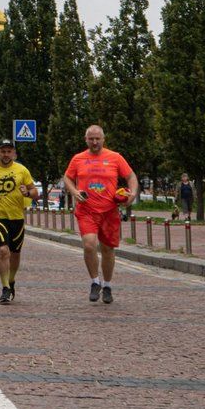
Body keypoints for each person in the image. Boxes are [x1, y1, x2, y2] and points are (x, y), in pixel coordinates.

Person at [64, 125, 138, 305]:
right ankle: (95, 282)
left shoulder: (115, 157)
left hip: (109, 211)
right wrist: (74, 191)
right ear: (86, 140)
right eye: (91, 139)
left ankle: (107, 286)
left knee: (107, 250)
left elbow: (131, 177)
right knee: (89, 245)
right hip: (86, 210)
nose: (95, 142)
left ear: (103, 139)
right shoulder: (78, 159)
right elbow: (67, 178)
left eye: (98, 139)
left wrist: (133, 194)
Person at [0, 139, 38, 304]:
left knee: (15, 253)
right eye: (3, 151)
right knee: (3, 251)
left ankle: (11, 280)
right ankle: (5, 287)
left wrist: (27, 192)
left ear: (14, 153)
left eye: (9, 151)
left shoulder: (22, 170)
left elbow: (35, 192)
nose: (6, 154)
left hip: (17, 217)